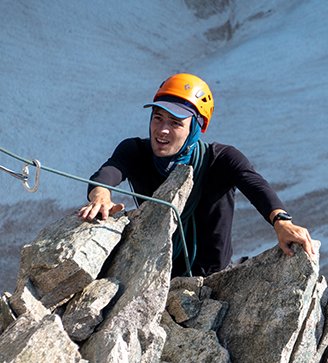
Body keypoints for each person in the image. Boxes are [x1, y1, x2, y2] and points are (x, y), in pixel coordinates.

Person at [78, 73, 314, 277]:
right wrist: (101, 196)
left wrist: (281, 221)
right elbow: (109, 171)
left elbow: (256, 185)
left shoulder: (221, 159)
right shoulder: (136, 151)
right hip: (155, 275)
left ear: (197, 128)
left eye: (176, 123)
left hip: (212, 280)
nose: (162, 130)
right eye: (157, 117)